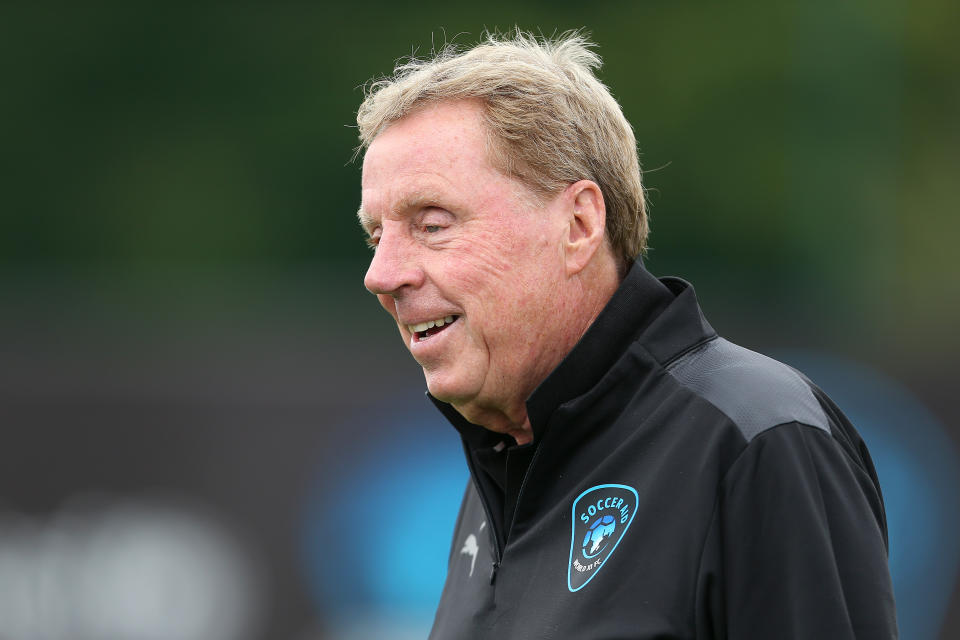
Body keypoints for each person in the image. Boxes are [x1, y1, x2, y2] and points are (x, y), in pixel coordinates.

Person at [354, 31, 898, 639]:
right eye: (377, 236)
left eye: (431, 224)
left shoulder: (758, 440)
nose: (382, 275)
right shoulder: (504, 466)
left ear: (580, 224)